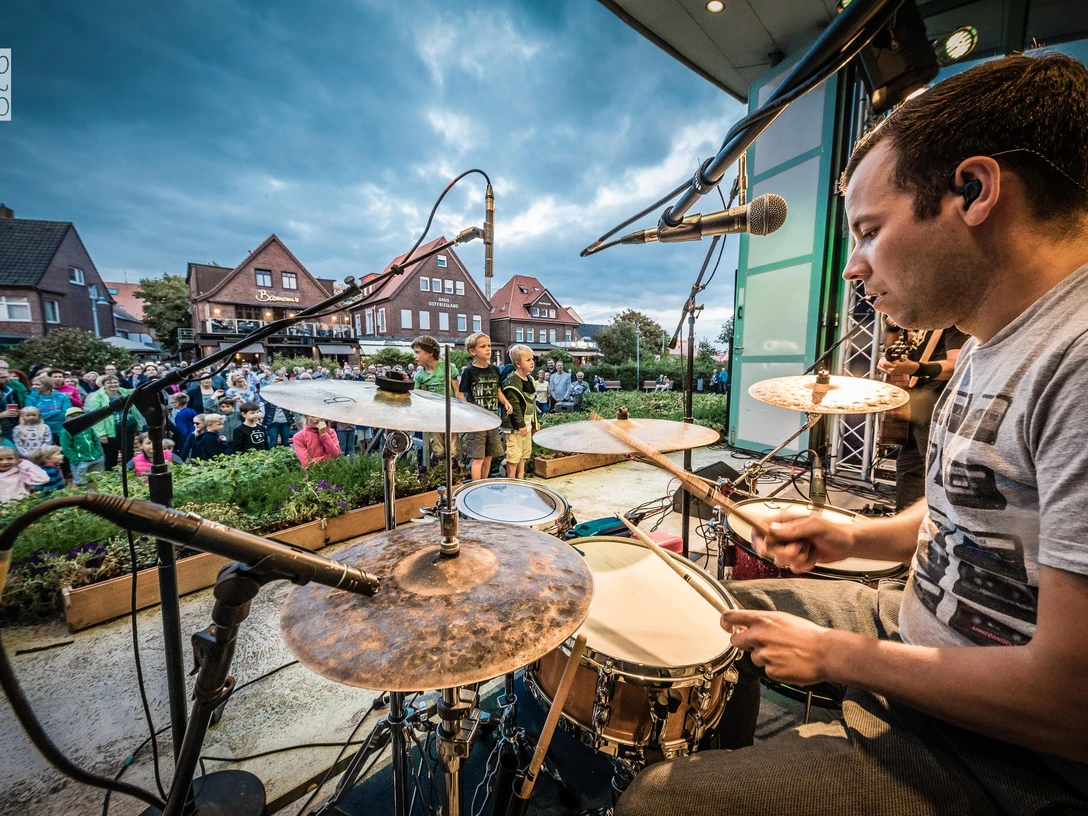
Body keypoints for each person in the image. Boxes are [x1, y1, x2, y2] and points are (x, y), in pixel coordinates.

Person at [618, 54, 1088, 816]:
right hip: (918, 630)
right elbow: (970, 518)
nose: (852, 268)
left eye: (869, 232)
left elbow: (1071, 701)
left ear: (973, 190)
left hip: (1009, 760)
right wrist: (850, 539)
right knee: (716, 617)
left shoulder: (1078, 359)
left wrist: (839, 655)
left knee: (656, 806)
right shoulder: (986, 338)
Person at [878, 319, 969, 510]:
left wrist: (915, 368)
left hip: (939, 409)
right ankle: (903, 536)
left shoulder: (950, 319)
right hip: (916, 409)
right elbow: (890, 346)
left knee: (936, 481)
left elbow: (957, 365)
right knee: (907, 478)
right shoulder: (918, 319)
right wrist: (892, 325)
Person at [456, 332, 512, 481]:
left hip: (492, 420)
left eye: (489, 345)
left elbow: (498, 390)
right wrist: (469, 411)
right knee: (478, 458)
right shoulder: (469, 371)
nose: (488, 349)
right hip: (477, 422)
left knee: (488, 457)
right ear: (472, 351)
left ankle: (484, 484)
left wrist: (505, 402)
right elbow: (460, 394)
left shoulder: (495, 370)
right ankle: (476, 486)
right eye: (483, 346)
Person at [412, 335, 460, 467]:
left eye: (417, 352)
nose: (414, 356)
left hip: (451, 412)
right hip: (433, 415)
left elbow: (457, 391)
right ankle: (438, 472)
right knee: (438, 448)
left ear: (430, 352)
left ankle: (454, 473)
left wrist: (464, 409)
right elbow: (416, 396)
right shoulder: (420, 375)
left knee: (453, 448)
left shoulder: (447, 367)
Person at [84, 374, 141, 471]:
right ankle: (111, 475)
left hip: (128, 426)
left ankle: (129, 473)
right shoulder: (97, 397)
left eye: (115, 382)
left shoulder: (126, 392)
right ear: (103, 384)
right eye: (109, 382)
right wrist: (101, 434)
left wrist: (138, 426)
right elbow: (96, 417)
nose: (113, 384)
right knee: (111, 454)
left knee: (128, 452)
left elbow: (135, 410)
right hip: (110, 429)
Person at [501, 345, 539, 480]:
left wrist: (534, 423)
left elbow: (532, 403)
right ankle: (511, 479)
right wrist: (521, 424)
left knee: (523, 454)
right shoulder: (512, 382)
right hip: (514, 426)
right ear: (517, 363)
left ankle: (521, 478)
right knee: (513, 455)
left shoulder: (530, 379)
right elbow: (514, 406)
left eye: (532, 359)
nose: (532, 362)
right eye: (528, 360)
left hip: (527, 424)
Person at [60, 407, 105, 485]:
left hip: (95, 457)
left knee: (97, 479)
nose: (76, 418)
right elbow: (66, 448)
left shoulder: (88, 428)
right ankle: (77, 496)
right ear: (67, 418)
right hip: (81, 460)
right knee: (80, 481)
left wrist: (98, 452)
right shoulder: (66, 431)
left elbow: (95, 440)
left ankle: (95, 495)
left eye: (79, 415)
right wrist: (76, 459)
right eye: (73, 416)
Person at [25, 374, 71, 440]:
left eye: (38, 384)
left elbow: (67, 414)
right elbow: (33, 417)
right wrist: (56, 412)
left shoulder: (62, 397)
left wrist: (43, 415)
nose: (34, 387)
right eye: (33, 384)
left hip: (61, 430)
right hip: (41, 431)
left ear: (47, 384)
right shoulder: (31, 398)